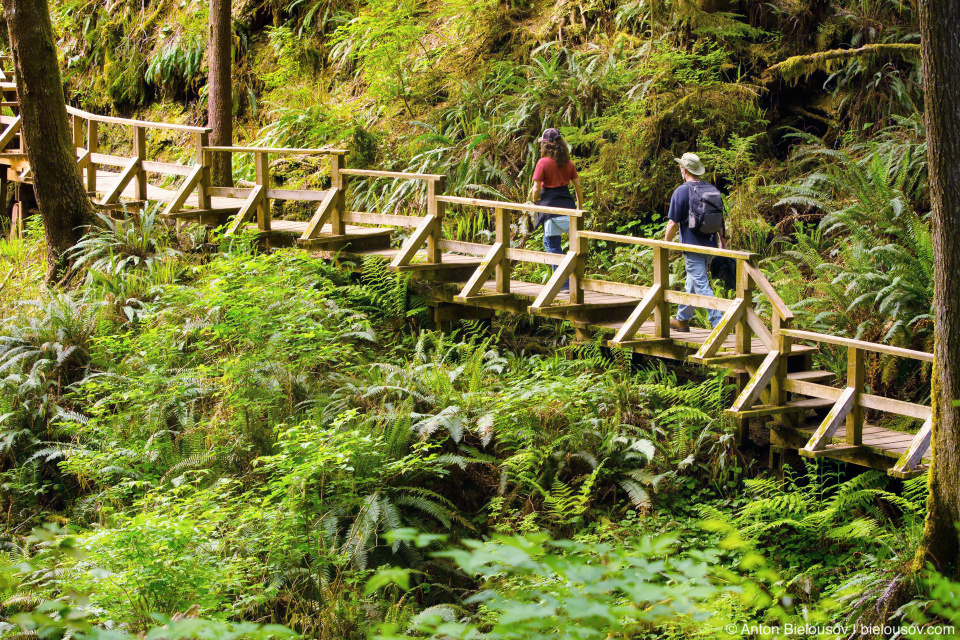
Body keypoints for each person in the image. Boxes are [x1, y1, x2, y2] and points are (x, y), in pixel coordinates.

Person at [664, 152, 725, 332]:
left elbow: (672, 223)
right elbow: (720, 219)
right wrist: (723, 243)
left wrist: (666, 246)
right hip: (710, 244)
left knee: (700, 283)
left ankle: (718, 323)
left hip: (692, 245)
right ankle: (682, 320)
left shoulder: (682, 191)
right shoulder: (711, 189)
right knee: (693, 281)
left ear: (684, 169)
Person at [530, 128, 584, 291]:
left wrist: (534, 201)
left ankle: (564, 284)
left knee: (551, 245)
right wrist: (579, 208)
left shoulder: (543, 162)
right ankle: (571, 283)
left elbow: (536, 188)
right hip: (568, 209)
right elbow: (578, 187)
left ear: (546, 145)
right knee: (572, 247)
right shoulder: (568, 163)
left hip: (550, 210)